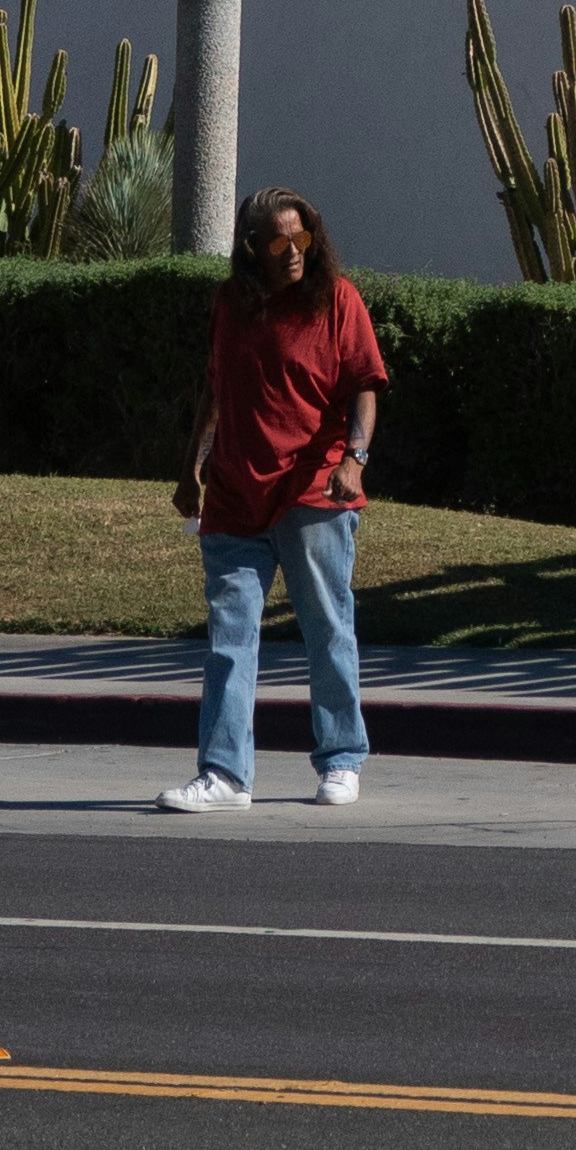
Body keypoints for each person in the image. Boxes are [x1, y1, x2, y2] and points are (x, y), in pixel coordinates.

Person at [167, 190, 381, 811]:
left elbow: (366, 387)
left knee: (326, 628)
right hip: (234, 496)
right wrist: (190, 470)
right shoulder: (231, 305)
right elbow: (214, 392)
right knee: (229, 640)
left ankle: (342, 760)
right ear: (251, 248)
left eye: (302, 238)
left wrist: (354, 460)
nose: (293, 252)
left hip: (312, 492)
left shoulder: (339, 300)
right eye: (278, 241)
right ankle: (225, 776)